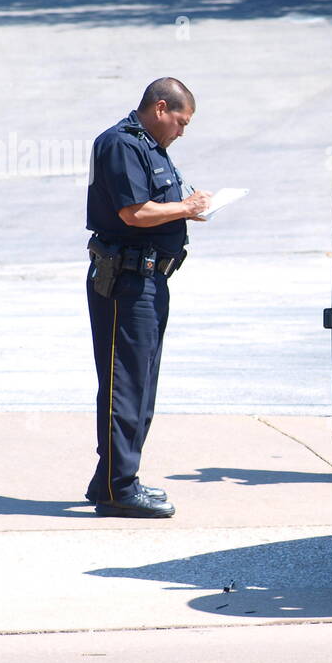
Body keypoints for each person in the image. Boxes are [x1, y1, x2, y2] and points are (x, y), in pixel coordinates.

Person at [84, 78, 211, 517]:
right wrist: (188, 208)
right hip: (125, 281)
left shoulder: (151, 149)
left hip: (151, 279)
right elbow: (133, 213)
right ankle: (121, 489)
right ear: (160, 108)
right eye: (181, 121)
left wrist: (190, 207)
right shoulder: (121, 145)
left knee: (141, 386)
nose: (181, 131)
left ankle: (109, 481)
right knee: (126, 385)